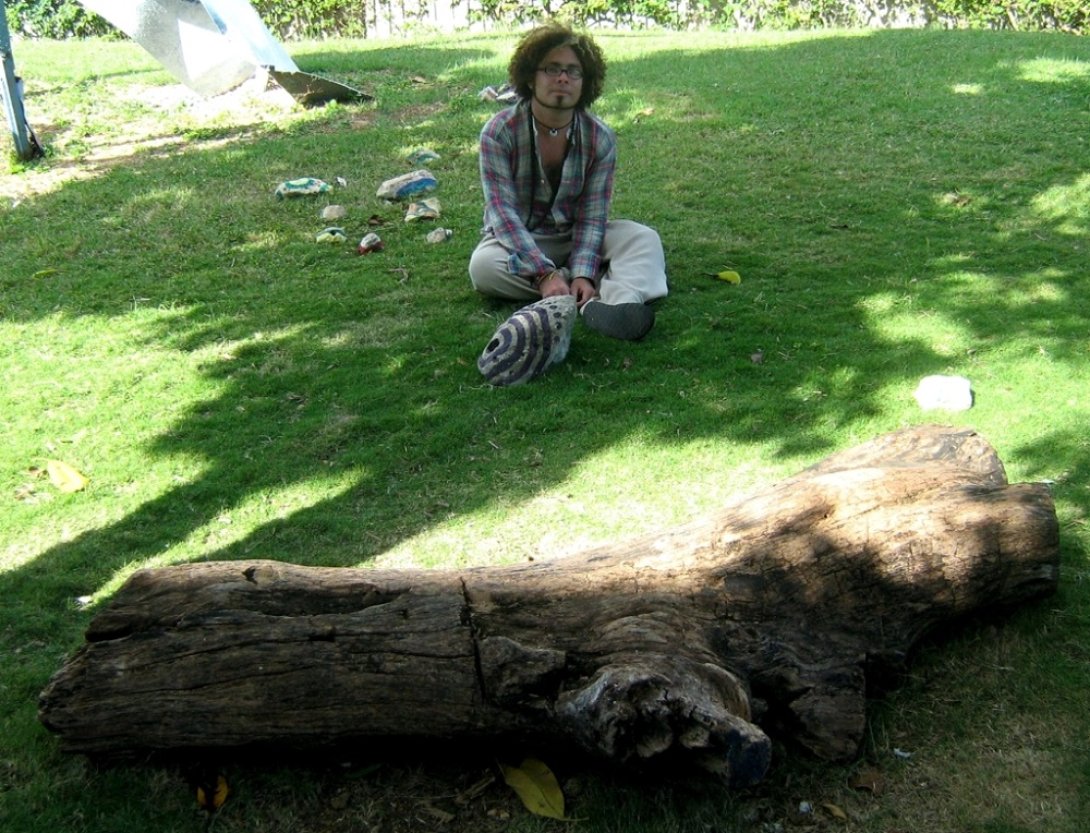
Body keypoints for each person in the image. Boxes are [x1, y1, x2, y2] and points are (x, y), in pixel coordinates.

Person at [468, 23, 668, 341]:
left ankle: (616, 304)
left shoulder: (599, 138)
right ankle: (573, 288)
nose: (563, 78)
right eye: (552, 68)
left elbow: (593, 215)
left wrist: (584, 270)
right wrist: (543, 272)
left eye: (573, 72)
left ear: (585, 83)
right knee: (483, 268)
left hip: (577, 235)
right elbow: (502, 214)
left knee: (643, 240)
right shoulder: (499, 132)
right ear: (530, 77)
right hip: (521, 239)